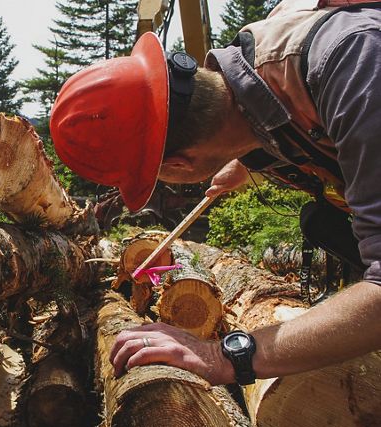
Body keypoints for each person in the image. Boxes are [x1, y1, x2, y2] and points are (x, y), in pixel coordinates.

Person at [49, 0, 381, 386]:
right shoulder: (256, 82)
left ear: (179, 165)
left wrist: (224, 355)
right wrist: (240, 161)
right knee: (322, 224)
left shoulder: (354, 67)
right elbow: (267, 115)